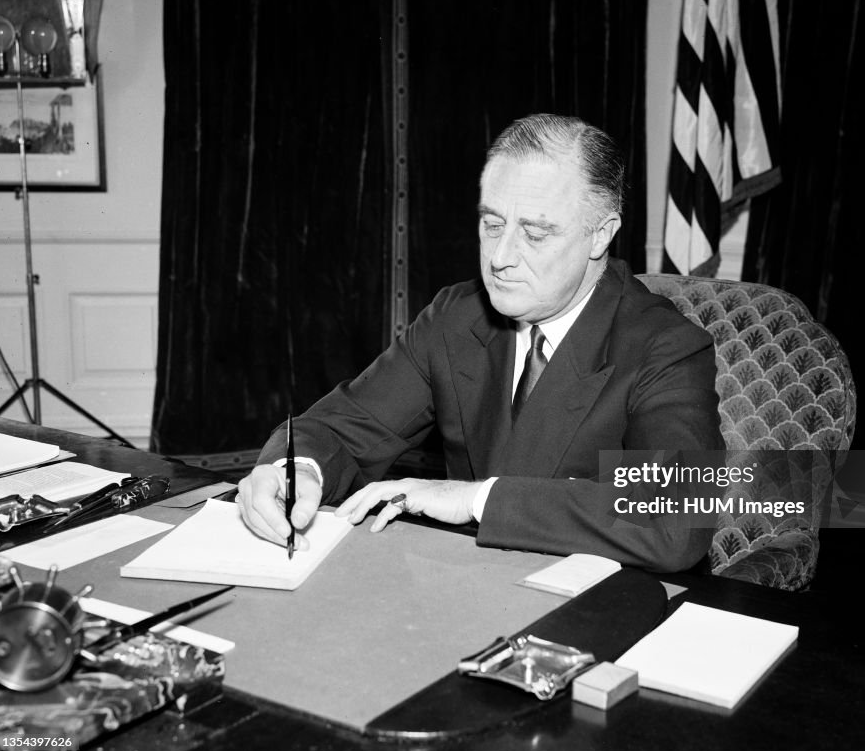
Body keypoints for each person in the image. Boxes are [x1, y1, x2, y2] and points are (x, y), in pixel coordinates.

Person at [237, 113, 724, 572]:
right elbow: (347, 426)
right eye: (492, 225)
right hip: (463, 585)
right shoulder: (456, 317)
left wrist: (475, 498)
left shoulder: (665, 345)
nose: (501, 257)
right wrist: (295, 470)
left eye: (535, 233)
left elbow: (678, 514)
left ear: (601, 235)